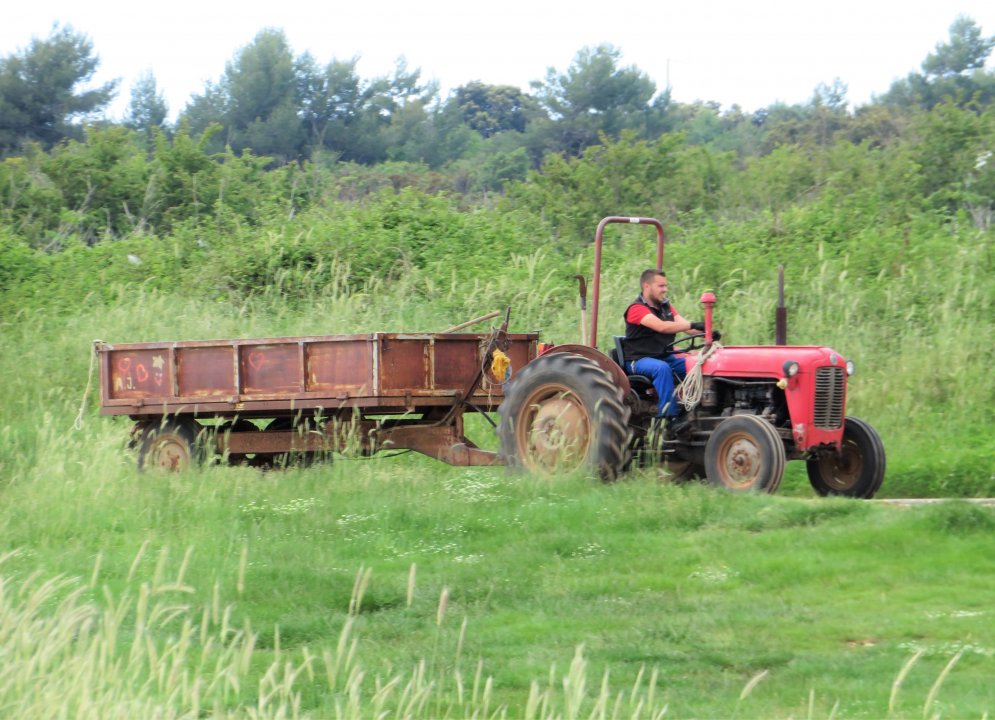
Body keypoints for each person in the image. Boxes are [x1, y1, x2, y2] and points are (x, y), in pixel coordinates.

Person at [622, 269, 706, 425]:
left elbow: (686, 327)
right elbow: (661, 327)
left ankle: (698, 408)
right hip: (639, 360)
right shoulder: (636, 309)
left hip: (664, 356)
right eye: (661, 286)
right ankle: (668, 419)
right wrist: (692, 324)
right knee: (661, 368)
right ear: (647, 286)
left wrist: (706, 330)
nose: (665, 289)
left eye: (665, 285)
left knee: (697, 364)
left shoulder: (666, 306)